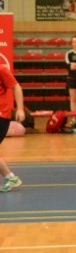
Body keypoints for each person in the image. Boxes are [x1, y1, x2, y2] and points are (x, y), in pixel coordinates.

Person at [0, 65, 26, 193]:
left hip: (2, 115)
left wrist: (20, 109)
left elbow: (16, 87)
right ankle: (10, 178)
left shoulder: (1, 69)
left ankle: (10, 177)